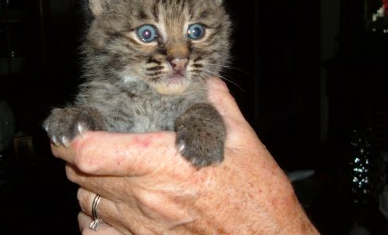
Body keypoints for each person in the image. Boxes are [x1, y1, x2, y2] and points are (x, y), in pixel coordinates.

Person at [51, 77, 319, 234]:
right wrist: (85, 120)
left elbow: (202, 109)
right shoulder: (107, 89)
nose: (178, 54)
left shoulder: (198, 89)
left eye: (196, 32)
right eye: (147, 33)